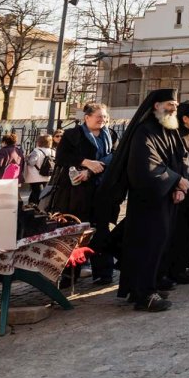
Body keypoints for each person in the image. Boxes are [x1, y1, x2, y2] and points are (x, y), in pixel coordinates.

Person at [97, 88, 189, 312]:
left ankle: (150, 285)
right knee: (147, 245)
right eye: (170, 104)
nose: (174, 108)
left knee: (159, 244)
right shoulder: (143, 131)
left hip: (168, 196)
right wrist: (177, 180)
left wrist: (181, 186)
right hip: (148, 200)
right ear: (156, 106)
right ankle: (143, 295)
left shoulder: (169, 129)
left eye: (175, 105)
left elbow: (181, 157)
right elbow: (146, 167)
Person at [49, 102, 115, 284]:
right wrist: (85, 162)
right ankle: (70, 275)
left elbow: (112, 157)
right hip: (75, 191)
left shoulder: (111, 134)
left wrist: (91, 171)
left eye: (104, 117)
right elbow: (61, 158)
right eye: (99, 116)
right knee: (74, 230)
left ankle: (103, 273)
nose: (102, 120)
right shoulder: (72, 135)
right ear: (87, 117)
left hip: (100, 189)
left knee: (101, 229)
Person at [162, 101, 189, 285]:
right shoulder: (176, 135)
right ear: (185, 118)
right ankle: (169, 271)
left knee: (184, 232)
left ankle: (179, 268)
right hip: (178, 192)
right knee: (174, 234)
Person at [23, 133, 55, 204]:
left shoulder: (37, 151)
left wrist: (26, 158)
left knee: (36, 192)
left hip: (35, 176)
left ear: (39, 142)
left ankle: (34, 207)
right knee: (39, 192)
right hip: (47, 175)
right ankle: (32, 205)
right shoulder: (53, 151)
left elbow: (31, 163)